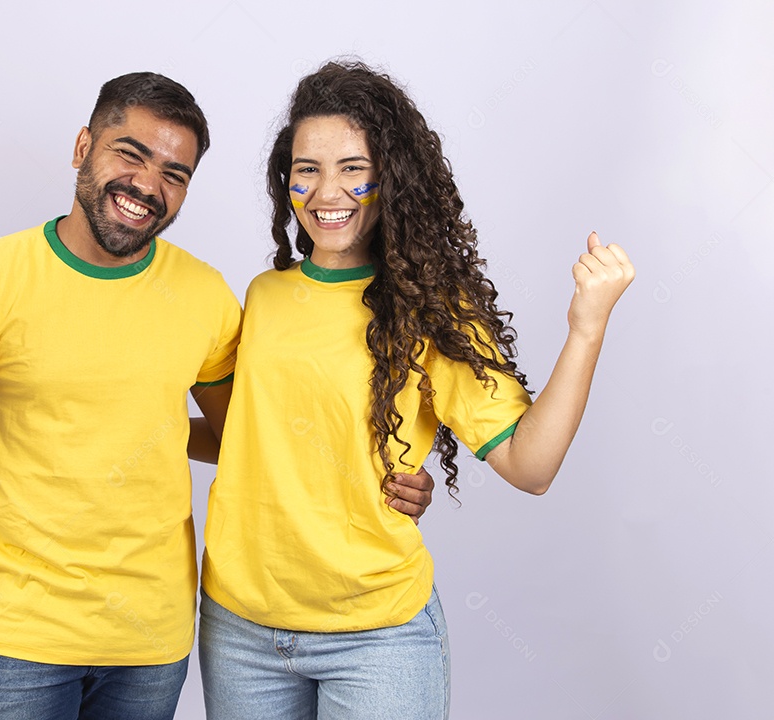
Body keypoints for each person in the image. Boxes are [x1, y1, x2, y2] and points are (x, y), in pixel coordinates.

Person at [0, 71, 433, 720]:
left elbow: (248, 435)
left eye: (175, 174)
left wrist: (382, 465)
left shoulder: (203, 295)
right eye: (130, 154)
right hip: (22, 641)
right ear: (82, 146)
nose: (148, 185)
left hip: (153, 647)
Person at [198, 61, 635, 720]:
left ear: (393, 177)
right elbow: (249, 439)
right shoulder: (264, 296)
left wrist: (586, 328)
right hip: (240, 630)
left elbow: (532, 466)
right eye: (307, 169)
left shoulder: (430, 309)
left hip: (377, 637)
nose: (326, 191)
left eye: (353, 168)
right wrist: (140, 431)